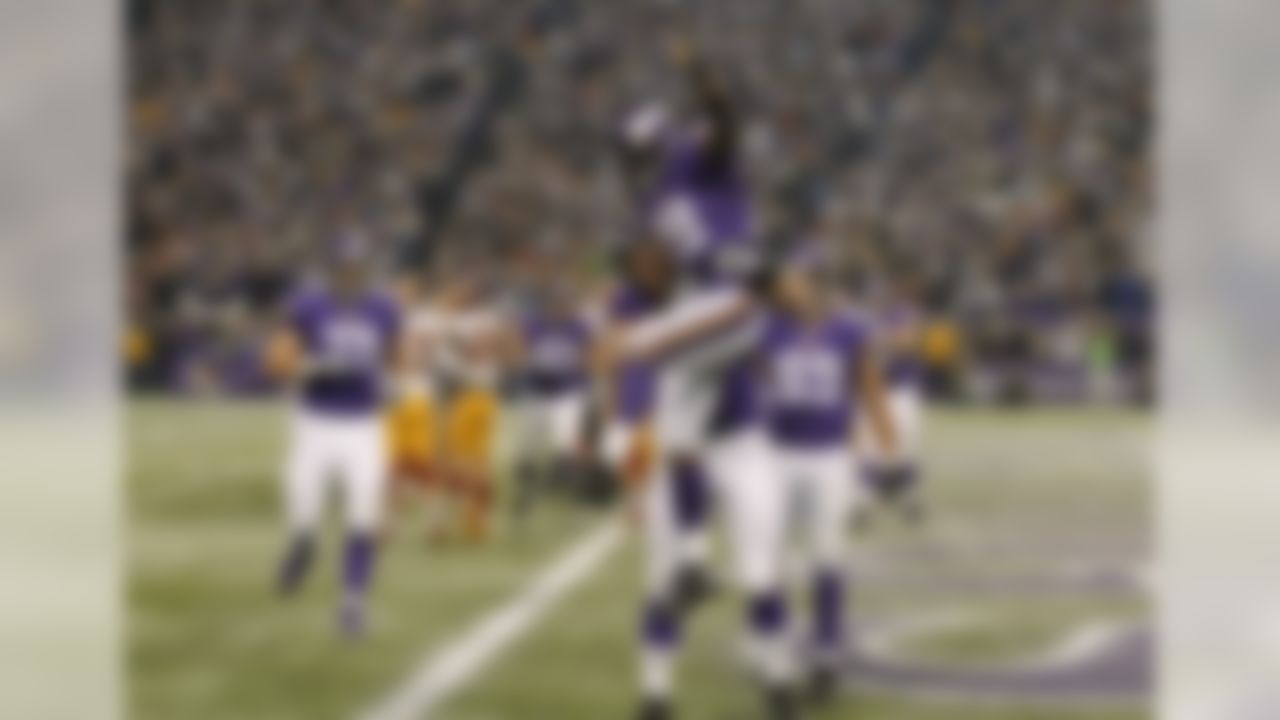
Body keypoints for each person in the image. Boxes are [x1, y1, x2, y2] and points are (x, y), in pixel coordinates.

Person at [754, 250, 898, 702]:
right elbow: (749, 386)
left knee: (828, 557)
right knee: (768, 560)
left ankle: (827, 653)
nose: (783, 287)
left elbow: (869, 387)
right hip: (775, 455)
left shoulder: (850, 329)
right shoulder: (766, 327)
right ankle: (773, 653)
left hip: (828, 456)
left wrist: (887, 449)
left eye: (792, 279)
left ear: (814, 283)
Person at [267, 235, 402, 637]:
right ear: (332, 270)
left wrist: (391, 381)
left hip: (362, 423)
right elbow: (280, 362)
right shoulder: (309, 305)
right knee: (304, 507)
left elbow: (394, 354)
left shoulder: (383, 307)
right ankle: (303, 543)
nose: (350, 275)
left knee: (363, 513)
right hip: (315, 421)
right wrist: (308, 367)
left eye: (356, 268)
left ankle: (352, 603)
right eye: (344, 268)